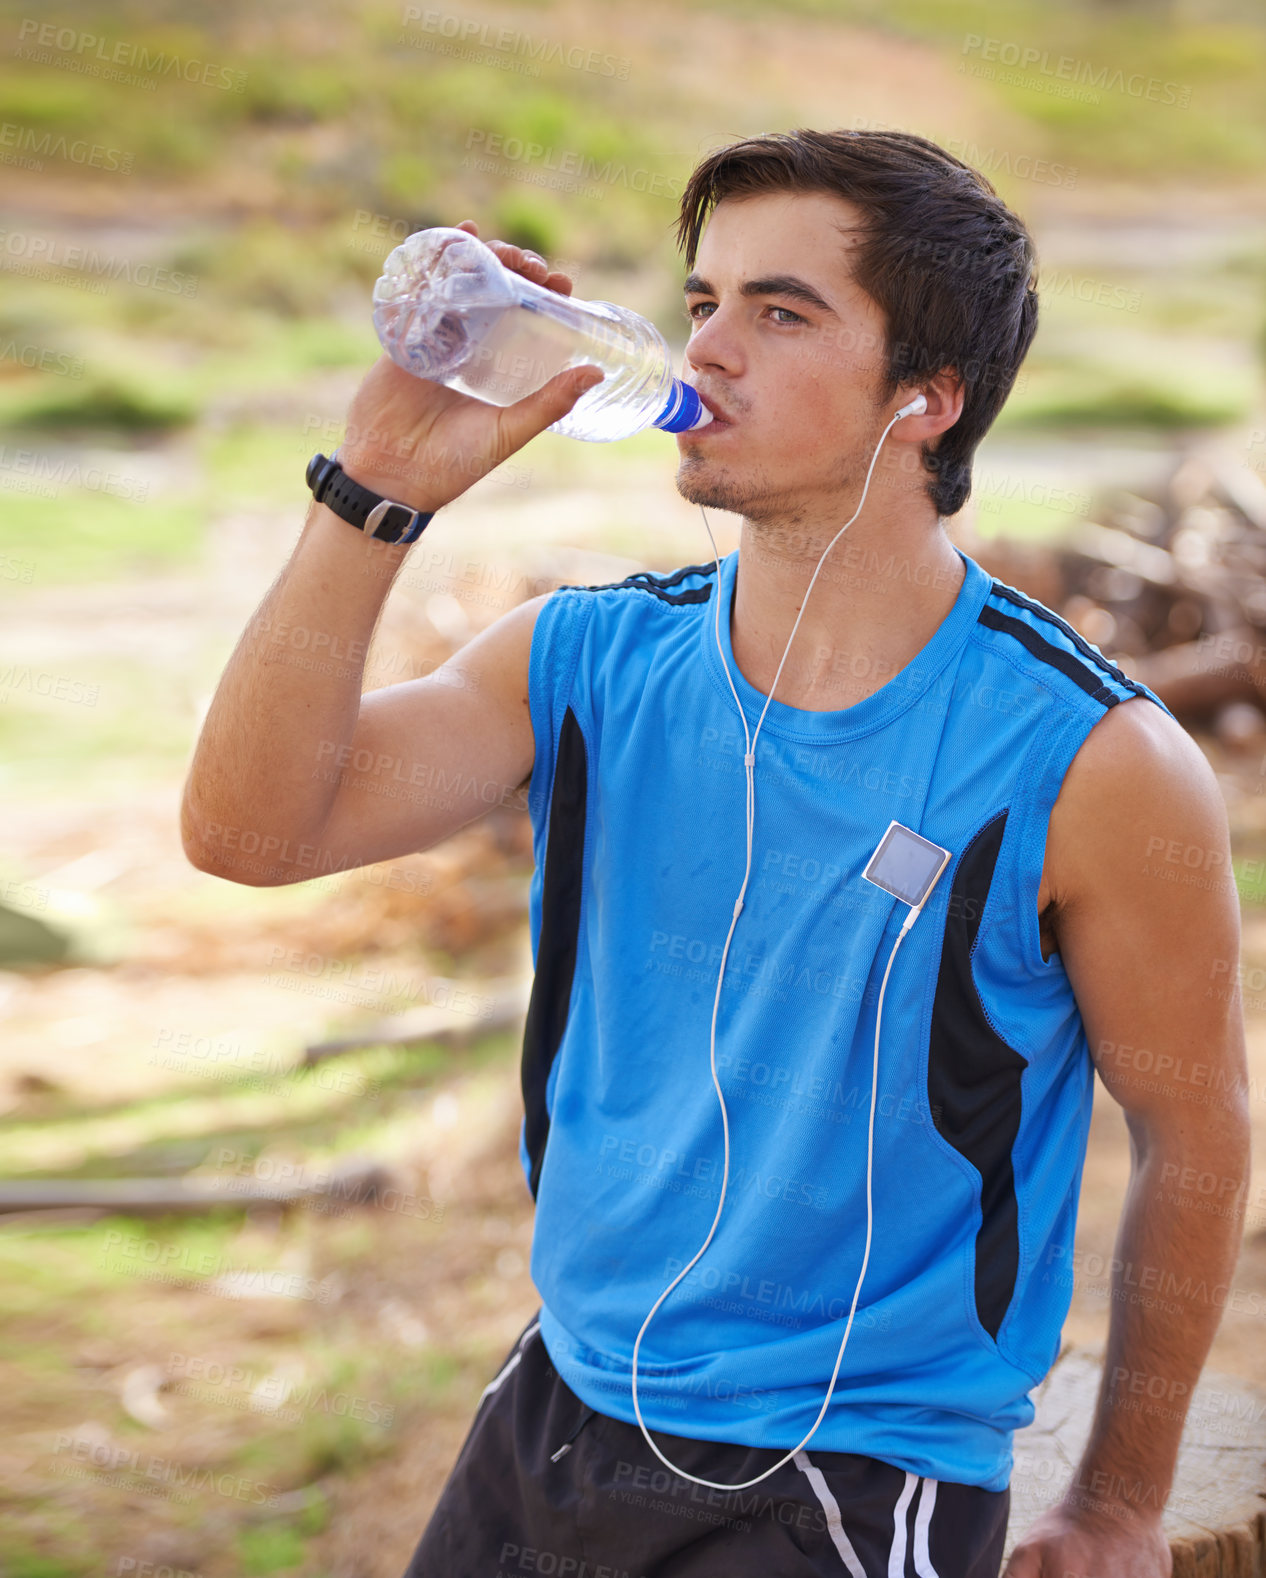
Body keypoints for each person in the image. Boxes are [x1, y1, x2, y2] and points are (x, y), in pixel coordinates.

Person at [181, 129, 1250, 1578]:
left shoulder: (1094, 761)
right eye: (701, 301)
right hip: (555, 1405)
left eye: (781, 310)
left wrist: (1117, 1499)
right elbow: (246, 831)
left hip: (852, 1470)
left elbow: (1195, 1128)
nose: (711, 348)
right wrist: (373, 492)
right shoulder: (581, 660)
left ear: (925, 399)